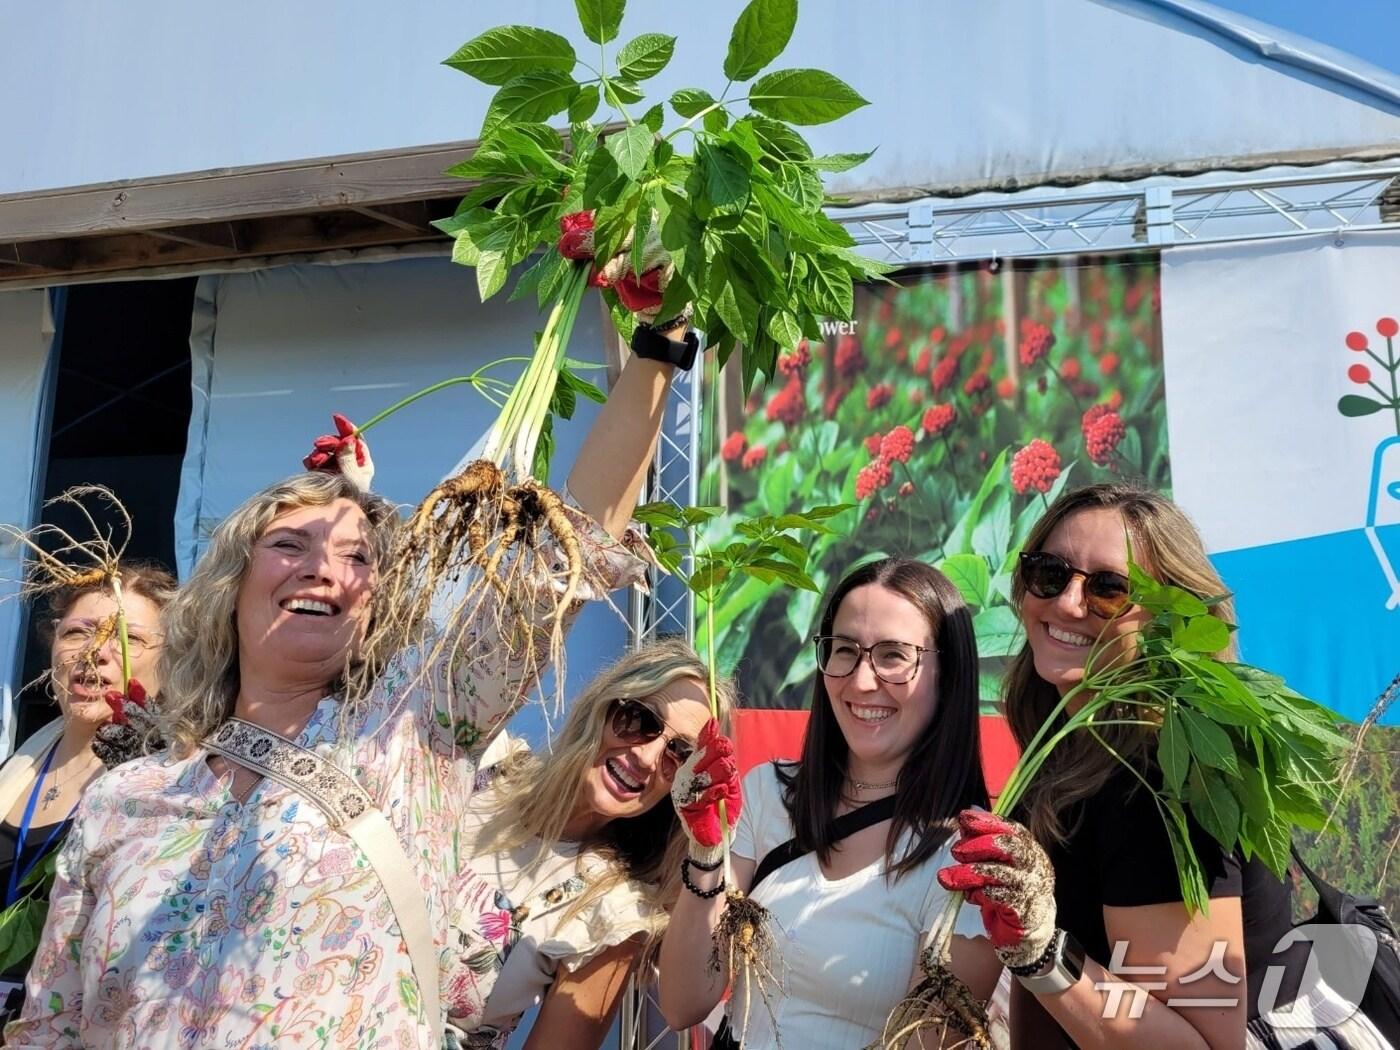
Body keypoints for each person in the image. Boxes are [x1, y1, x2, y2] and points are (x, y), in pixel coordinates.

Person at [5, 297, 697, 1047]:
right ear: (232, 583)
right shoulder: (124, 799)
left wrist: (657, 346)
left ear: (376, 604)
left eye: (356, 556)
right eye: (290, 545)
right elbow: (50, 1026)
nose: (323, 569)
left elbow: (571, 552)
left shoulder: (414, 739)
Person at [938, 481, 1388, 1049]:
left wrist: (1044, 955)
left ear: (1168, 620)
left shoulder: (1162, 778)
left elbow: (1202, 1045)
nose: (1068, 603)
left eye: (1109, 589)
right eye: (1049, 573)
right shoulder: (1066, 748)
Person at [657, 558, 1001, 1049]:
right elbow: (683, 1002)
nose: (861, 681)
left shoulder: (968, 854)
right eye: (845, 650)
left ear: (949, 673)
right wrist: (706, 853)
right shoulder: (769, 793)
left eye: (893, 655)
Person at [458, 638, 734, 1048]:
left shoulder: (613, 914)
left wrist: (708, 850)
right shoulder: (480, 760)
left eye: (679, 754)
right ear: (605, 706)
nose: (646, 758)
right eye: (640, 719)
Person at [0, 563, 175, 1026]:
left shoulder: (173, 785)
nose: (96, 652)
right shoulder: (17, 766)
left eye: (129, 638)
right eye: (78, 632)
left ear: (172, 659)